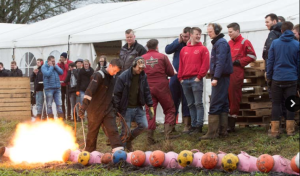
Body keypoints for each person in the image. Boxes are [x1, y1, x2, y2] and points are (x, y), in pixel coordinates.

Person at [78, 59, 124, 153]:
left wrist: (115, 109)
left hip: (108, 109)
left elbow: (112, 94)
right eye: (114, 70)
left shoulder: (113, 78)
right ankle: (89, 153)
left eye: (117, 72)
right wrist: (83, 107)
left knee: (113, 130)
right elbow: (89, 91)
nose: (114, 73)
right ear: (110, 66)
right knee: (92, 132)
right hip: (95, 110)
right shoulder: (98, 75)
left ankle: (119, 152)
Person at [200, 23, 233, 140]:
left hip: (221, 77)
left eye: (210, 32)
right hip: (222, 76)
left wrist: (216, 78)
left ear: (217, 31)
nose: (208, 34)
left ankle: (212, 133)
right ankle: (222, 131)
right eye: (208, 32)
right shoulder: (219, 42)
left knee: (214, 103)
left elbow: (220, 61)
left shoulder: (221, 43)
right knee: (223, 103)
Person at [114, 57, 154, 152]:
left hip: (138, 106)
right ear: (133, 65)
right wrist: (116, 109)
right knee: (125, 132)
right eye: (139, 68)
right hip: (126, 108)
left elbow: (146, 91)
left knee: (144, 125)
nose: (140, 70)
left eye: (142, 68)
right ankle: (120, 152)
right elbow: (117, 94)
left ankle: (129, 140)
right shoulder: (123, 77)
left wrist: (150, 105)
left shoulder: (143, 76)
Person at [267, 21, 299, 138]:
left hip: (277, 78)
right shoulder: (297, 44)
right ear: (291, 30)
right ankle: (290, 130)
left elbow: (270, 62)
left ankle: (275, 131)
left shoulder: (275, 43)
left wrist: (269, 77)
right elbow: (299, 63)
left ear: (281, 31)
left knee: (276, 104)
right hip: (291, 78)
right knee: (291, 103)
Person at [142, 39, 177, 143]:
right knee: (169, 108)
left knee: (150, 111)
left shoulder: (142, 58)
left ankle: (150, 138)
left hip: (148, 88)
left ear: (147, 47)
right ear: (157, 46)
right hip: (162, 87)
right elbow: (171, 72)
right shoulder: (163, 57)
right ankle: (168, 136)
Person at [177, 27, 210, 134]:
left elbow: (205, 65)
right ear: (191, 35)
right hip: (185, 80)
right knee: (190, 104)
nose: (198, 36)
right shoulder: (184, 50)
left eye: (199, 34)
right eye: (196, 34)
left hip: (195, 79)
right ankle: (193, 124)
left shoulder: (203, 49)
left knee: (198, 103)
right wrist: (180, 78)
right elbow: (181, 65)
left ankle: (198, 126)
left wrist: (199, 77)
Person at [227, 22, 257, 132]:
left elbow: (252, 56)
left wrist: (240, 62)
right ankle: (226, 122)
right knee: (227, 96)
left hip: (236, 72)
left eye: (231, 32)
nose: (229, 34)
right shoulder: (229, 43)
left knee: (234, 96)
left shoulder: (245, 42)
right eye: (228, 32)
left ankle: (232, 123)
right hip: (227, 73)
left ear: (237, 31)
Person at [165, 27, 192, 133]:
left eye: (187, 37)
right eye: (184, 36)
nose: (185, 38)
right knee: (173, 100)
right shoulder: (178, 43)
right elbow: (167, 50)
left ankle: (186, 124)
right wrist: (178, 41)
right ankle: (171, 124)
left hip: (187, 76)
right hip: (175, 76)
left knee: (186, 100)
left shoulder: (192, 45)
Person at [41, 55, 64, 120]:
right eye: (52, 61)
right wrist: (51, 67)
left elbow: (61, 72)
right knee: (49, 105)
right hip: (49, 88)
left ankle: (60, 120)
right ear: (48, 61)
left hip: (57, 88)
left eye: (54, 61)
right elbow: (47, 74)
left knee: (59, 104)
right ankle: (51, 119)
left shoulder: (55, 66)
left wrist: (55, 66)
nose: (54, 62)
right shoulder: (44, 67)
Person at [57, 52, 73, 120]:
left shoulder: (70, 63)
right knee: (61, 100)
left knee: (68, 100)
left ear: (66, 58)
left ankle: (69, 115)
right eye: (61, 57)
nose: (61, 59)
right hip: (61, 84)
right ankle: (63, 114)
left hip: (67, 84)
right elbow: (57, 70)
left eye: (63, 57)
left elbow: (68, 70)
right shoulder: (60, 64)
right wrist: (59, 63)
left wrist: (66, 64)